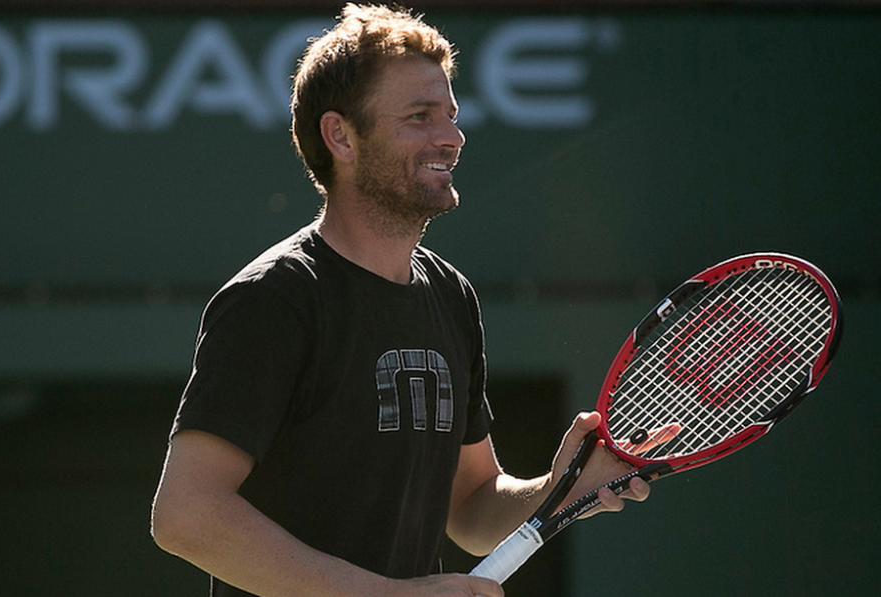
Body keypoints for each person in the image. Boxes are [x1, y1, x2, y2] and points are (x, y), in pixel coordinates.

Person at [151, 5, 651, 596]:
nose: (452, 136)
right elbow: (185, 515)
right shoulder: (273, 300)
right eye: (419, 117)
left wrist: (559, 488)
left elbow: (470, 507)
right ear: (340, 135)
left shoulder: (450, 297)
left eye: (451, 115)